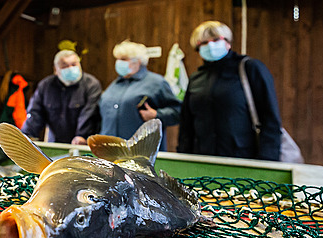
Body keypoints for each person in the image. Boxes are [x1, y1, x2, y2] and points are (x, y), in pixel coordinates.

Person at [177, 21, 281, 160]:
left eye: (215, 40)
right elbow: (187, 124)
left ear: (228, 42)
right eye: (204, 42)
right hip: (202, 158)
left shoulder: (249, 68)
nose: (211, 45)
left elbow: (270, 119)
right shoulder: (196, 78)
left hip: (244, 158)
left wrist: (267, 162)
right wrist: (183, 158)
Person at [99, 40, 181, 151]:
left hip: (140, 153)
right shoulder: (114, 85)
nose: (118, 63)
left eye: (123, 59)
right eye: (117, 59)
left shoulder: (156, 83)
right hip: (109, 152)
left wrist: (157, 114)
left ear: (137, 61)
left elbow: (178, 111)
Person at [21, 50, 102, 145]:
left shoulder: (91, 85)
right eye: (65, 66)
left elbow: (89, 114)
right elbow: (35, 113)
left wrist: (82, 135)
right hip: (55, 144)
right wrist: (26, 137)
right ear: (56, 70)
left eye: (74, 64)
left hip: (82, 144)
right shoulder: (46, 86)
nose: (70, 68)